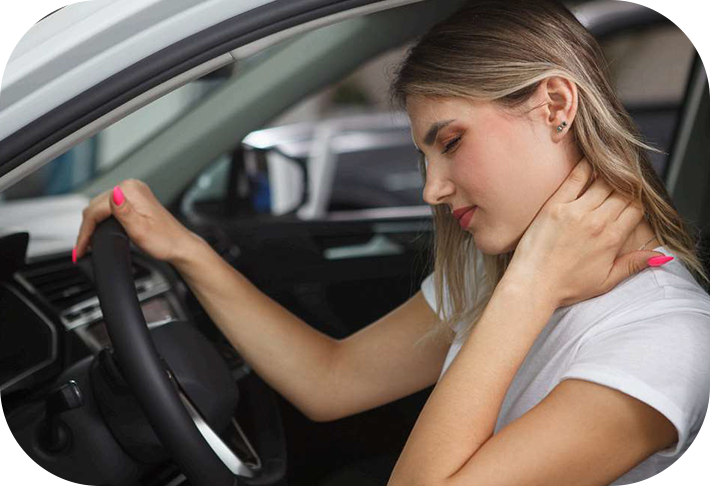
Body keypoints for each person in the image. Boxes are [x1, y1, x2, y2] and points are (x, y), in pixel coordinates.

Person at [74, 0, 710, 484]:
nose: (432, 189)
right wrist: (185, 248)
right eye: (424, 156)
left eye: (451, 141)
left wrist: (530, 288)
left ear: (555, 106)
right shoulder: (501, 273)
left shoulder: (665, 340)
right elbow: (331, 380)